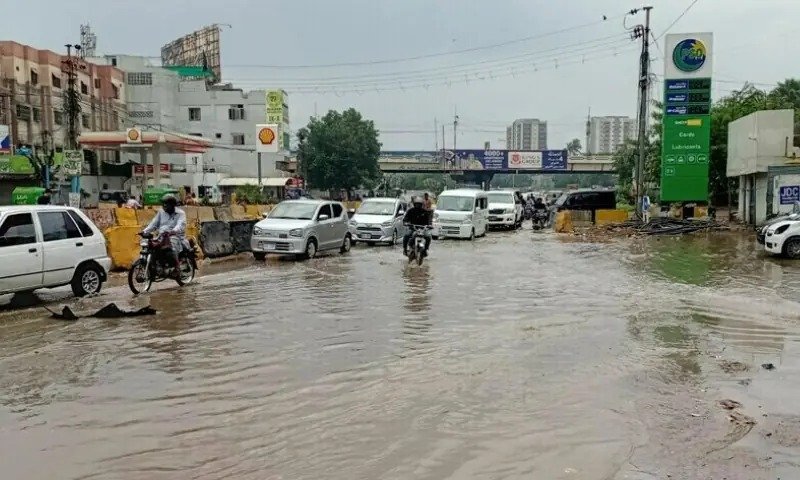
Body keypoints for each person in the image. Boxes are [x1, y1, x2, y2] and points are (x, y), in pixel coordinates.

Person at [142, 194, 187, 277]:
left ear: (173, 205)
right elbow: (154, 223)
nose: (164, 206)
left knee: (170, 247)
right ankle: (157, 265)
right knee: (151, 246)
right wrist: (144, 231)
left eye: (167, 204)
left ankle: (177, 268)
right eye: (163, 204)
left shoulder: (180, 213)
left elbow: (181, 225)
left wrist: (173, 231)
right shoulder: (161, 212)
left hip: (175, 236)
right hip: (162, 235)